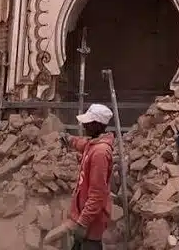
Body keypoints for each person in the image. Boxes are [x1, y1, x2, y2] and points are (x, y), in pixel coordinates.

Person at [61, 103, 115, 250]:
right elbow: (82, 143)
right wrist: (69, 139)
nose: (84, 126)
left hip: (91, 223)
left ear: (98, 125)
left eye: (88, 123)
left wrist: (83, 223)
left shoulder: (100, 153)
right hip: (84, 218)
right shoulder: (94, 143)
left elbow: (97, 194)